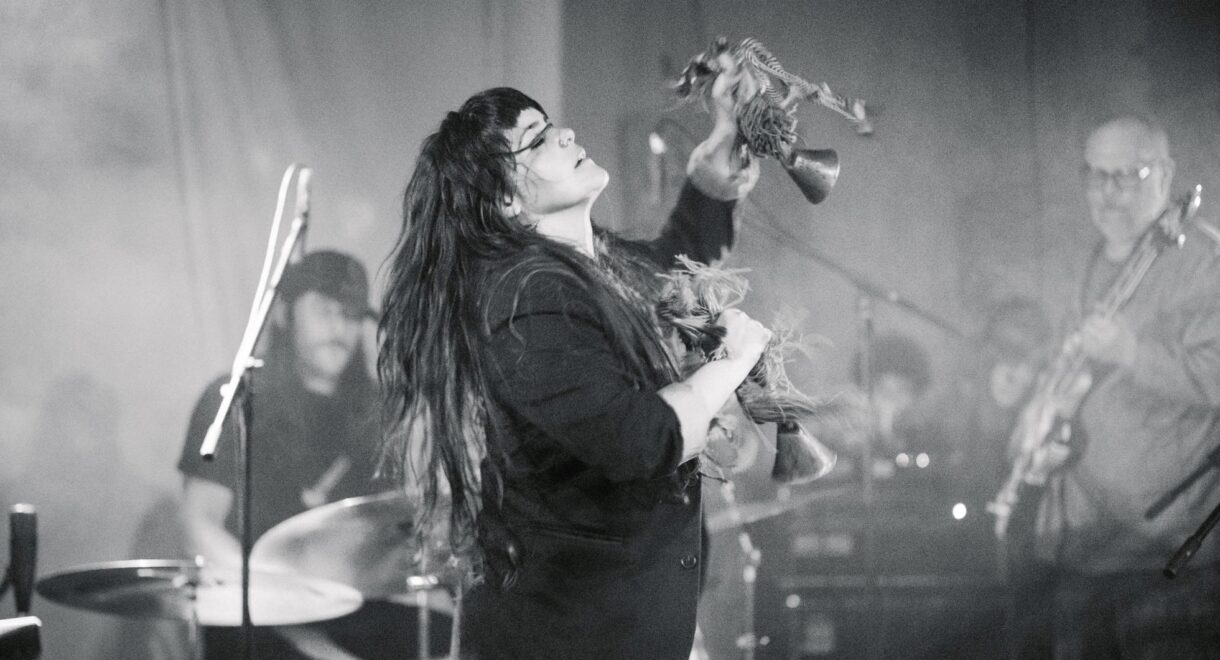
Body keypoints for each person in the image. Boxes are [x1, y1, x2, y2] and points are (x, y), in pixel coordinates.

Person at [378, 57, 771, 659]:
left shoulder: (594, 266)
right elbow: (642, 439)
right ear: (504, 200)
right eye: (535, 140)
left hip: (614, 628)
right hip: (562, 637)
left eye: (551, 125)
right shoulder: (525, 295)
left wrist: (715, 166)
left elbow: (673, 262)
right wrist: (730, 362)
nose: (564, 134)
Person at [1027, 116, 1220, 657]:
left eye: (1126, 176)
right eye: (1095, 176)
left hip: (1167, 559)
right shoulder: (1090, 260)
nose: (1107, 194)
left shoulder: (1206, 262)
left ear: (1166, 174)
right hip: (1083, 549)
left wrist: (1131, 353)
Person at [178, 250, 413, 659]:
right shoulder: (235, 399)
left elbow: (390, 535)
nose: (340, 327)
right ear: (285, 313)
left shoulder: (378, 414)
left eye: (352, 315)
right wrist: (288, 612)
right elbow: (199, 526)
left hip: (351, 613)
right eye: (325, 311)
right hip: (252, 622)